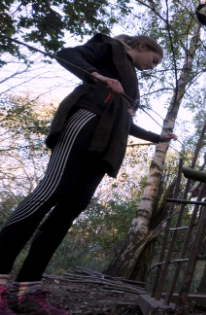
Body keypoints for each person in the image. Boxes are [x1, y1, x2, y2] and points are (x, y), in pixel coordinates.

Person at [0, 33, 177, 315]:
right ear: (142, 46)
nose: (152, 66)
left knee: (69, 210)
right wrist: (98, 76)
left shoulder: (130, 77)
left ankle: (25, 292)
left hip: (105, 146)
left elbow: (125, 122)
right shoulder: (109, 48)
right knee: (49, 193)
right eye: (153, 60)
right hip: (85, 123)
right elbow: (67, 54)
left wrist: (158, 137)